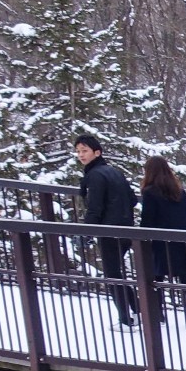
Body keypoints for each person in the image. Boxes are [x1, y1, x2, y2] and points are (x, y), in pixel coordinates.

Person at [75, 133, 139, 327]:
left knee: (112, 274)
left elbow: (95, 208)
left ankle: (125, 318)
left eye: (84, 151)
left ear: (97, 152)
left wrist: (86, 233)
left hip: (110, 230)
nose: (81, 155)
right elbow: (133, 199)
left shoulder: (94, 176)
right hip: (126, 228)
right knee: (116, 272)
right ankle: (137, 310)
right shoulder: (113, 171)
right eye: (78, 151)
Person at [139, 156, 186, 329]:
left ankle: (158, 313)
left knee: (156, 277)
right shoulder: (179, 192)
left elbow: (148, 220)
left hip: (162, 242)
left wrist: (141, 234)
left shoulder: (149, 192)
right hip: (184, 240)